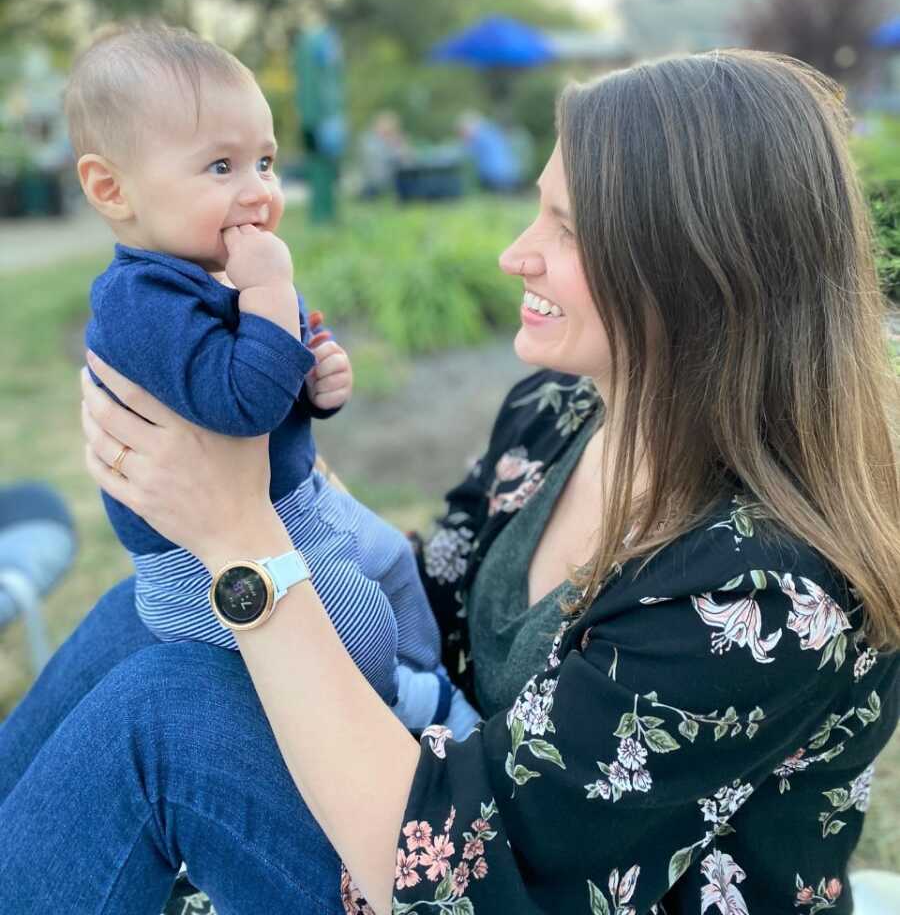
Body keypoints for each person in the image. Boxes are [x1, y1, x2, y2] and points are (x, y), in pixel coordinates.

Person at [1, 49, 898, 915]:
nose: (517, 253)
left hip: (471, 886)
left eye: (568, 229)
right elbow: (437, 608)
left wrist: (240, 539)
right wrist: (266, 484)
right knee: (144, 617)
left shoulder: (764, 593)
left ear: (703, 270)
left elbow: (478, 888)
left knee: (168, 711)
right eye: (535, 210)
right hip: (429, 783)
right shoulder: (558, 415)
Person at [64, 24, 478, 733]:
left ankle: (425, 680)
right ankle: (399, 703)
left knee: (393, 563)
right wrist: (267, 293)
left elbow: (290, 339)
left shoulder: (214, 266)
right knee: (355, 625)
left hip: (296, 501)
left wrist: (322, 363)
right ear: (113, 188)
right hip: (198, 561)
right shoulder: (139, 302)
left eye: (265, 161)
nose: (257, 190)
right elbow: (243, 402)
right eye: (220, 168)